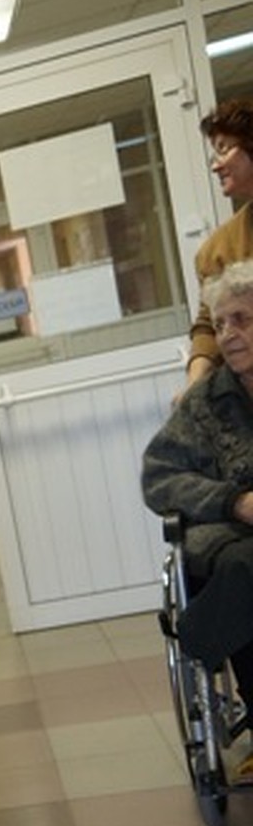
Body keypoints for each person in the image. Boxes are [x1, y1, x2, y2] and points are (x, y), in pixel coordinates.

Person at [143, 258, 253, 767]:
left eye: (242, 320)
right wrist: (233, 501)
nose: (227, 334)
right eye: (222, 321)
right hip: (234, 536)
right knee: (242, 568)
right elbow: (159, 477)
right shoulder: (205, 401)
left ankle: (201, 633)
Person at [184, 99, 253, 390]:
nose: (215, 166)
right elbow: (208, 325)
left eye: (224, 149)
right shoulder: (217, 250)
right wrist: (194, 388)